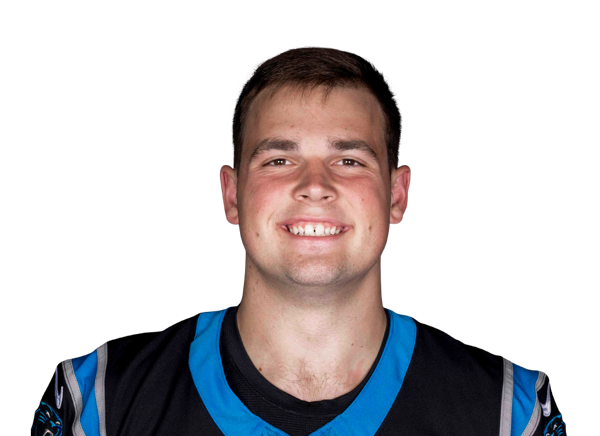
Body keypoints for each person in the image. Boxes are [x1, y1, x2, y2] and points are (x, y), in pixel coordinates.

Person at [31, 46, 566, 436]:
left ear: (397, 195)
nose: (315, 185)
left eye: (349, 160)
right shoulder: (96, 402)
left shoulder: (512, 414)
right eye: (279, 159)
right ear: (231, 195)